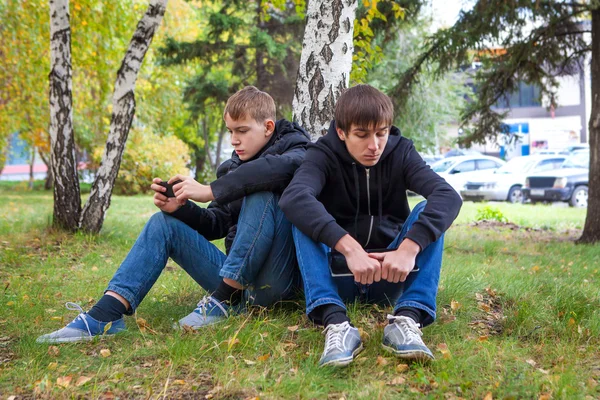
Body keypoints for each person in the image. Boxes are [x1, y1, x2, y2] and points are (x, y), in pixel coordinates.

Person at [37, 86, 310, 343]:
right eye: (229, 131)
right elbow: (215, 224)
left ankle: (223, 300)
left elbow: (278, 169)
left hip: (277, 280)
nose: (234, 140)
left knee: (262, 190)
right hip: (237, 282)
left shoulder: (298, 149)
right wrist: (182, 208)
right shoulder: (233, 166)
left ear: (268, 127)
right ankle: (104, 316)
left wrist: (211, 190)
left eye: (242, 130)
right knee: (163, 223)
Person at [279, 84, 462, 367]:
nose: (374, 145)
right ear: (342, 132)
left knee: (430, 210)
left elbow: (447, 196)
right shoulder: (323, 154)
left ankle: (407, 318)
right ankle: (335, 322)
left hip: (390, 274)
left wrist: (408, 249)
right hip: (338, 276)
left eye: (381, 133)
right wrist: (350, 249)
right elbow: (294, 197)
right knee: (303, 214)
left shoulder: (401, 152)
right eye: (362, 135)